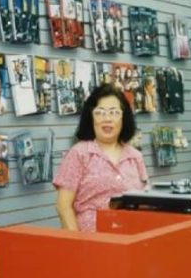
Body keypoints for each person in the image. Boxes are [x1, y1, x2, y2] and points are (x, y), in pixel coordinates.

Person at [53, 83, 148, 232]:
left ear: (124, 118)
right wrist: (79, 245)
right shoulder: (78, 154)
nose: (107, 118)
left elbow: (145, 202)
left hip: (130, 241)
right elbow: (63, 206)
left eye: (114, 112)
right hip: (91, 245)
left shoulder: (135, 156)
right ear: (91, 117)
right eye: (100, 112)